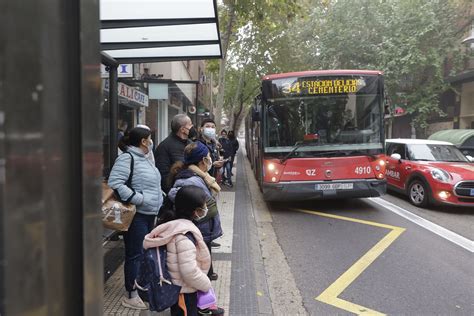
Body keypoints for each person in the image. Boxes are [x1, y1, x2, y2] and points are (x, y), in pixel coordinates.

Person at [144, 186, 224, 316]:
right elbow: (189, 272)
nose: (206, 209)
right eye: (203, 207)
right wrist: (206, 284)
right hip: (184, 291)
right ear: (195, 211)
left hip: (180, 289)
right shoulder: (184, 237)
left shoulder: (175, 225)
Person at [108, 127, 163, 310]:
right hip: (137, 214)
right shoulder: (127, 158)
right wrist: (138, 198)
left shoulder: (146, 158)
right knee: (135, 254)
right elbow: (115, 182)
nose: (151, 141)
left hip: (150, 213)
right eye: (149, 139)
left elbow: (151, 184)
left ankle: (141, 288)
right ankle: (131, 294)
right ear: (143, 141)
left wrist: (160, 197)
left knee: (145, 253)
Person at [167, 142, 223, 282]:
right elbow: (188, 200)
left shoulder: (199, 176)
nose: (210, 159)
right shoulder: (190, 179)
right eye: (208, 157)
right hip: (199, 227)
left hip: (201, 228)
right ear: (202, 160)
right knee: (197, 265)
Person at [154, 114, 197, 192]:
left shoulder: (191, 144)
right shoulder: (165, 146)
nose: (193, 127)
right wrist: (172, 193)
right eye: (190, 125)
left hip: (193, 189)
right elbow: (163, 174)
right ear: (183, 129)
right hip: (176, 192)